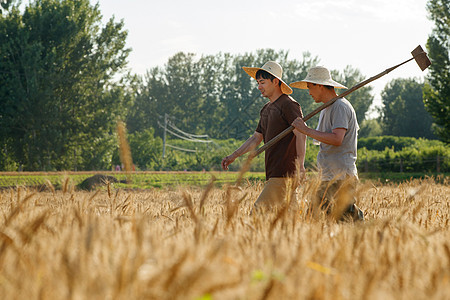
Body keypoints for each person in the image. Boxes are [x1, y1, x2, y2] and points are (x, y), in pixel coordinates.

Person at [221, 61, 306, 212]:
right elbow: (256, 138)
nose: (259, 87)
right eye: (258, 82)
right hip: (273, 171)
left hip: (284, 173)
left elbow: (301, 135)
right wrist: (234, 155)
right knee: (290, 221)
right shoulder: (266, 109)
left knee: (258, 213)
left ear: (275, 82)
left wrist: (300, 166)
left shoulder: (289, 105)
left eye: (262, 82)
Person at [290, 66, 364, 221]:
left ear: (320, 85)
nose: (309, 92)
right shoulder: (326, 108)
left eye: (310, 87)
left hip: (340, 177)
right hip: (328, 176)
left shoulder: (340, 107)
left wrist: (306, 130)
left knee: (342, 221)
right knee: (316, 219)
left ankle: (367, 235)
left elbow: (337, 139)